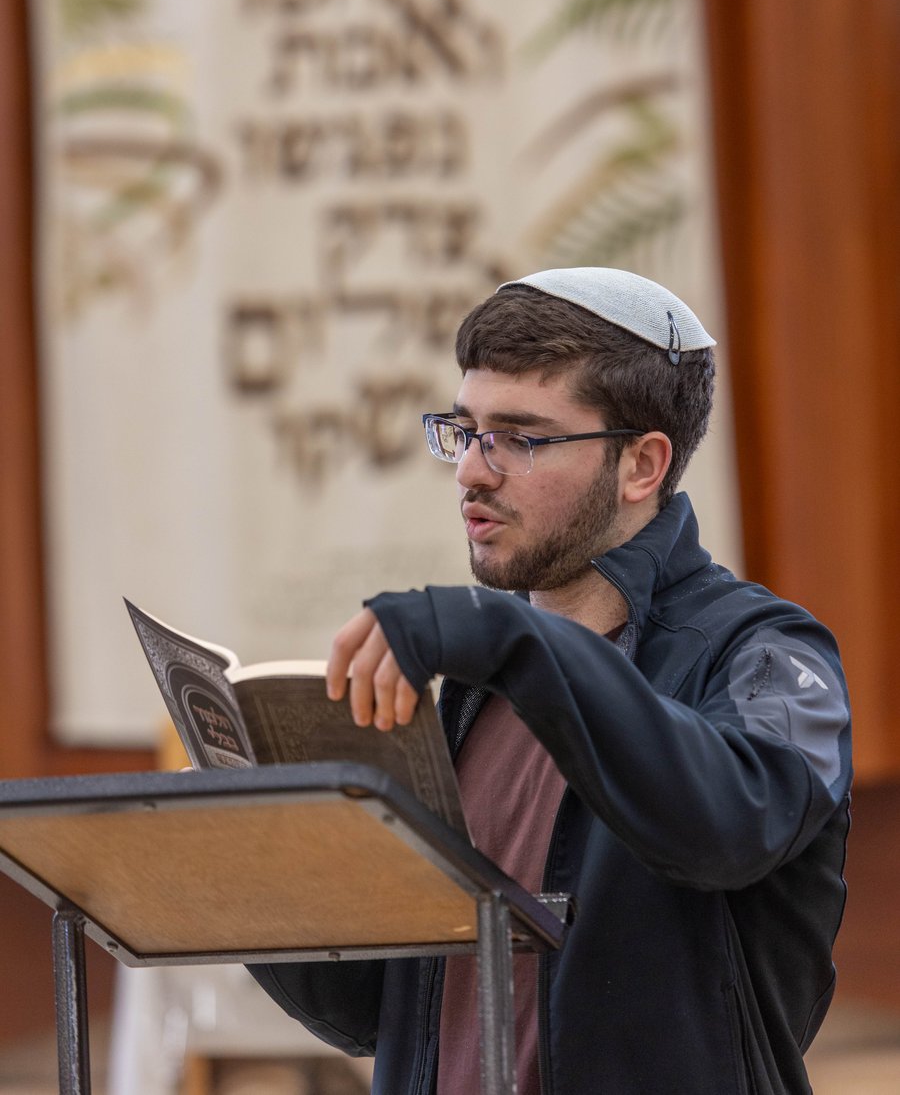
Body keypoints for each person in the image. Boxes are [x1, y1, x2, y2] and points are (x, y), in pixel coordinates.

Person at [250, 267, 852, 1095]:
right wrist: (262, 868)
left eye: (521, 438)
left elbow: (731, 818)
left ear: (642, 465)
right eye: (465, 431)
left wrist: (503, 637)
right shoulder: (472, 692)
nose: (470, 472)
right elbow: (378, 1011)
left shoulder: (765, 651)